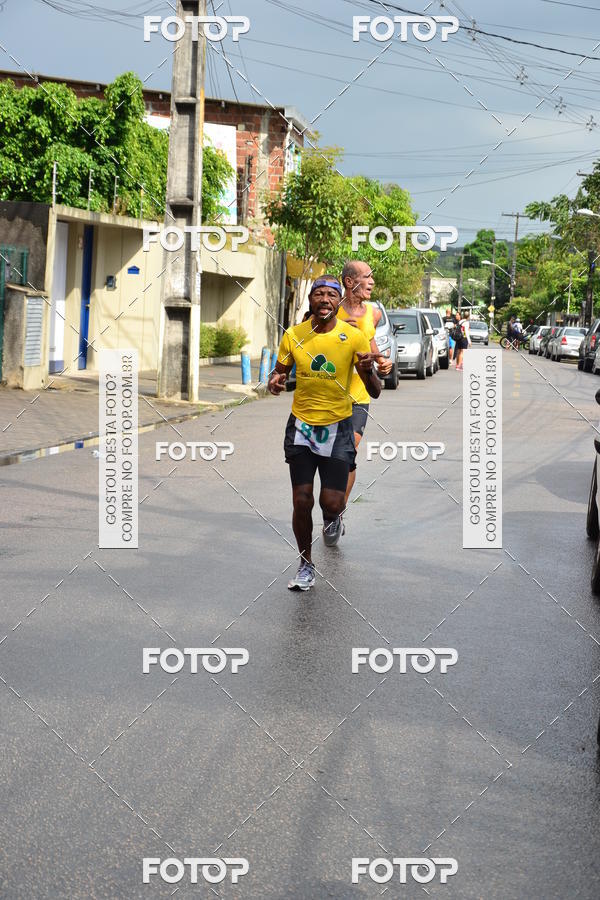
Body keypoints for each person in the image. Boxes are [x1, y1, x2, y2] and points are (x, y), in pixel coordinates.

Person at [268, 275, 381, 591]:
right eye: (318, 294)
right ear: (311, 301)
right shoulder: (294, 335)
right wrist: (274, 382)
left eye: (331, 295)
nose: (324, 300)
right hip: (302, 426)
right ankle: (305, 564)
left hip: (338, 426)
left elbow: (375, 391)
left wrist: (369, 371)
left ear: (338, 302)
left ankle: (335, 518)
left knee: (330, 503)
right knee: (301, 500)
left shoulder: (354, 337)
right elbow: (279, 372)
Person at [337, 260, 393, 505]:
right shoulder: (330, 310)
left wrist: (382, 362)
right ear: (350, 282)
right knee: (330, 457)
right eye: (367, 277)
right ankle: (330, 500)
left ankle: (337, 511)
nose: (372, 282)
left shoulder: (374, 313)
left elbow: (370, 345)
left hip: (359, 397)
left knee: (348, 452)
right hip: (330, 396)